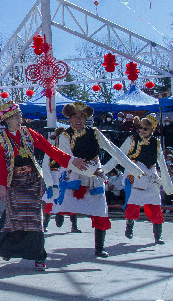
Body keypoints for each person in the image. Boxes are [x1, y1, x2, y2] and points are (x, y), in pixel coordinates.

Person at [0, 100, 86, 271]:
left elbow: (50, 149)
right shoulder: (0, 140)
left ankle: (39, 256)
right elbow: (0, 165)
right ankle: (9, 248)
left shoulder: (29, 133)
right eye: (17, 116)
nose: (20, 118)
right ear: (8, 120)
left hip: (32, 180)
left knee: (35, 219)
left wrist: (71, 160)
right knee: (14, 217)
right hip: (14, 182)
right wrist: (1, 185)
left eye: (20, 115)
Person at [51, 102, 138, 258]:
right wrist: (93, 171)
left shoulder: (95, 133)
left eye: (82, 117)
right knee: (63, 204)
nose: (78, 120)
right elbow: (68, 160)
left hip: (95, 179)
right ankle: (61, 214)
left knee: (100, 211)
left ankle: (99, 248)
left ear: (86, 119)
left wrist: (133, 169)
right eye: (75, 116)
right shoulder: (65, 136)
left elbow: (114, 151)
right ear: (70, 119)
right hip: (75, 176)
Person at [119, 115, 173, 245]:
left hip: (151, 177)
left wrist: (167, 184)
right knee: (132, 205)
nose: (142, 130)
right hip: (136, 177)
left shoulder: (156, 142)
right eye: (141, 127)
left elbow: (161, 162)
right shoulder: (132, 140)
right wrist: (105, 169)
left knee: (155, 206)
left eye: (146, 128)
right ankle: (129, 226)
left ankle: (158, 236)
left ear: (152, 130)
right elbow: (119, 155)